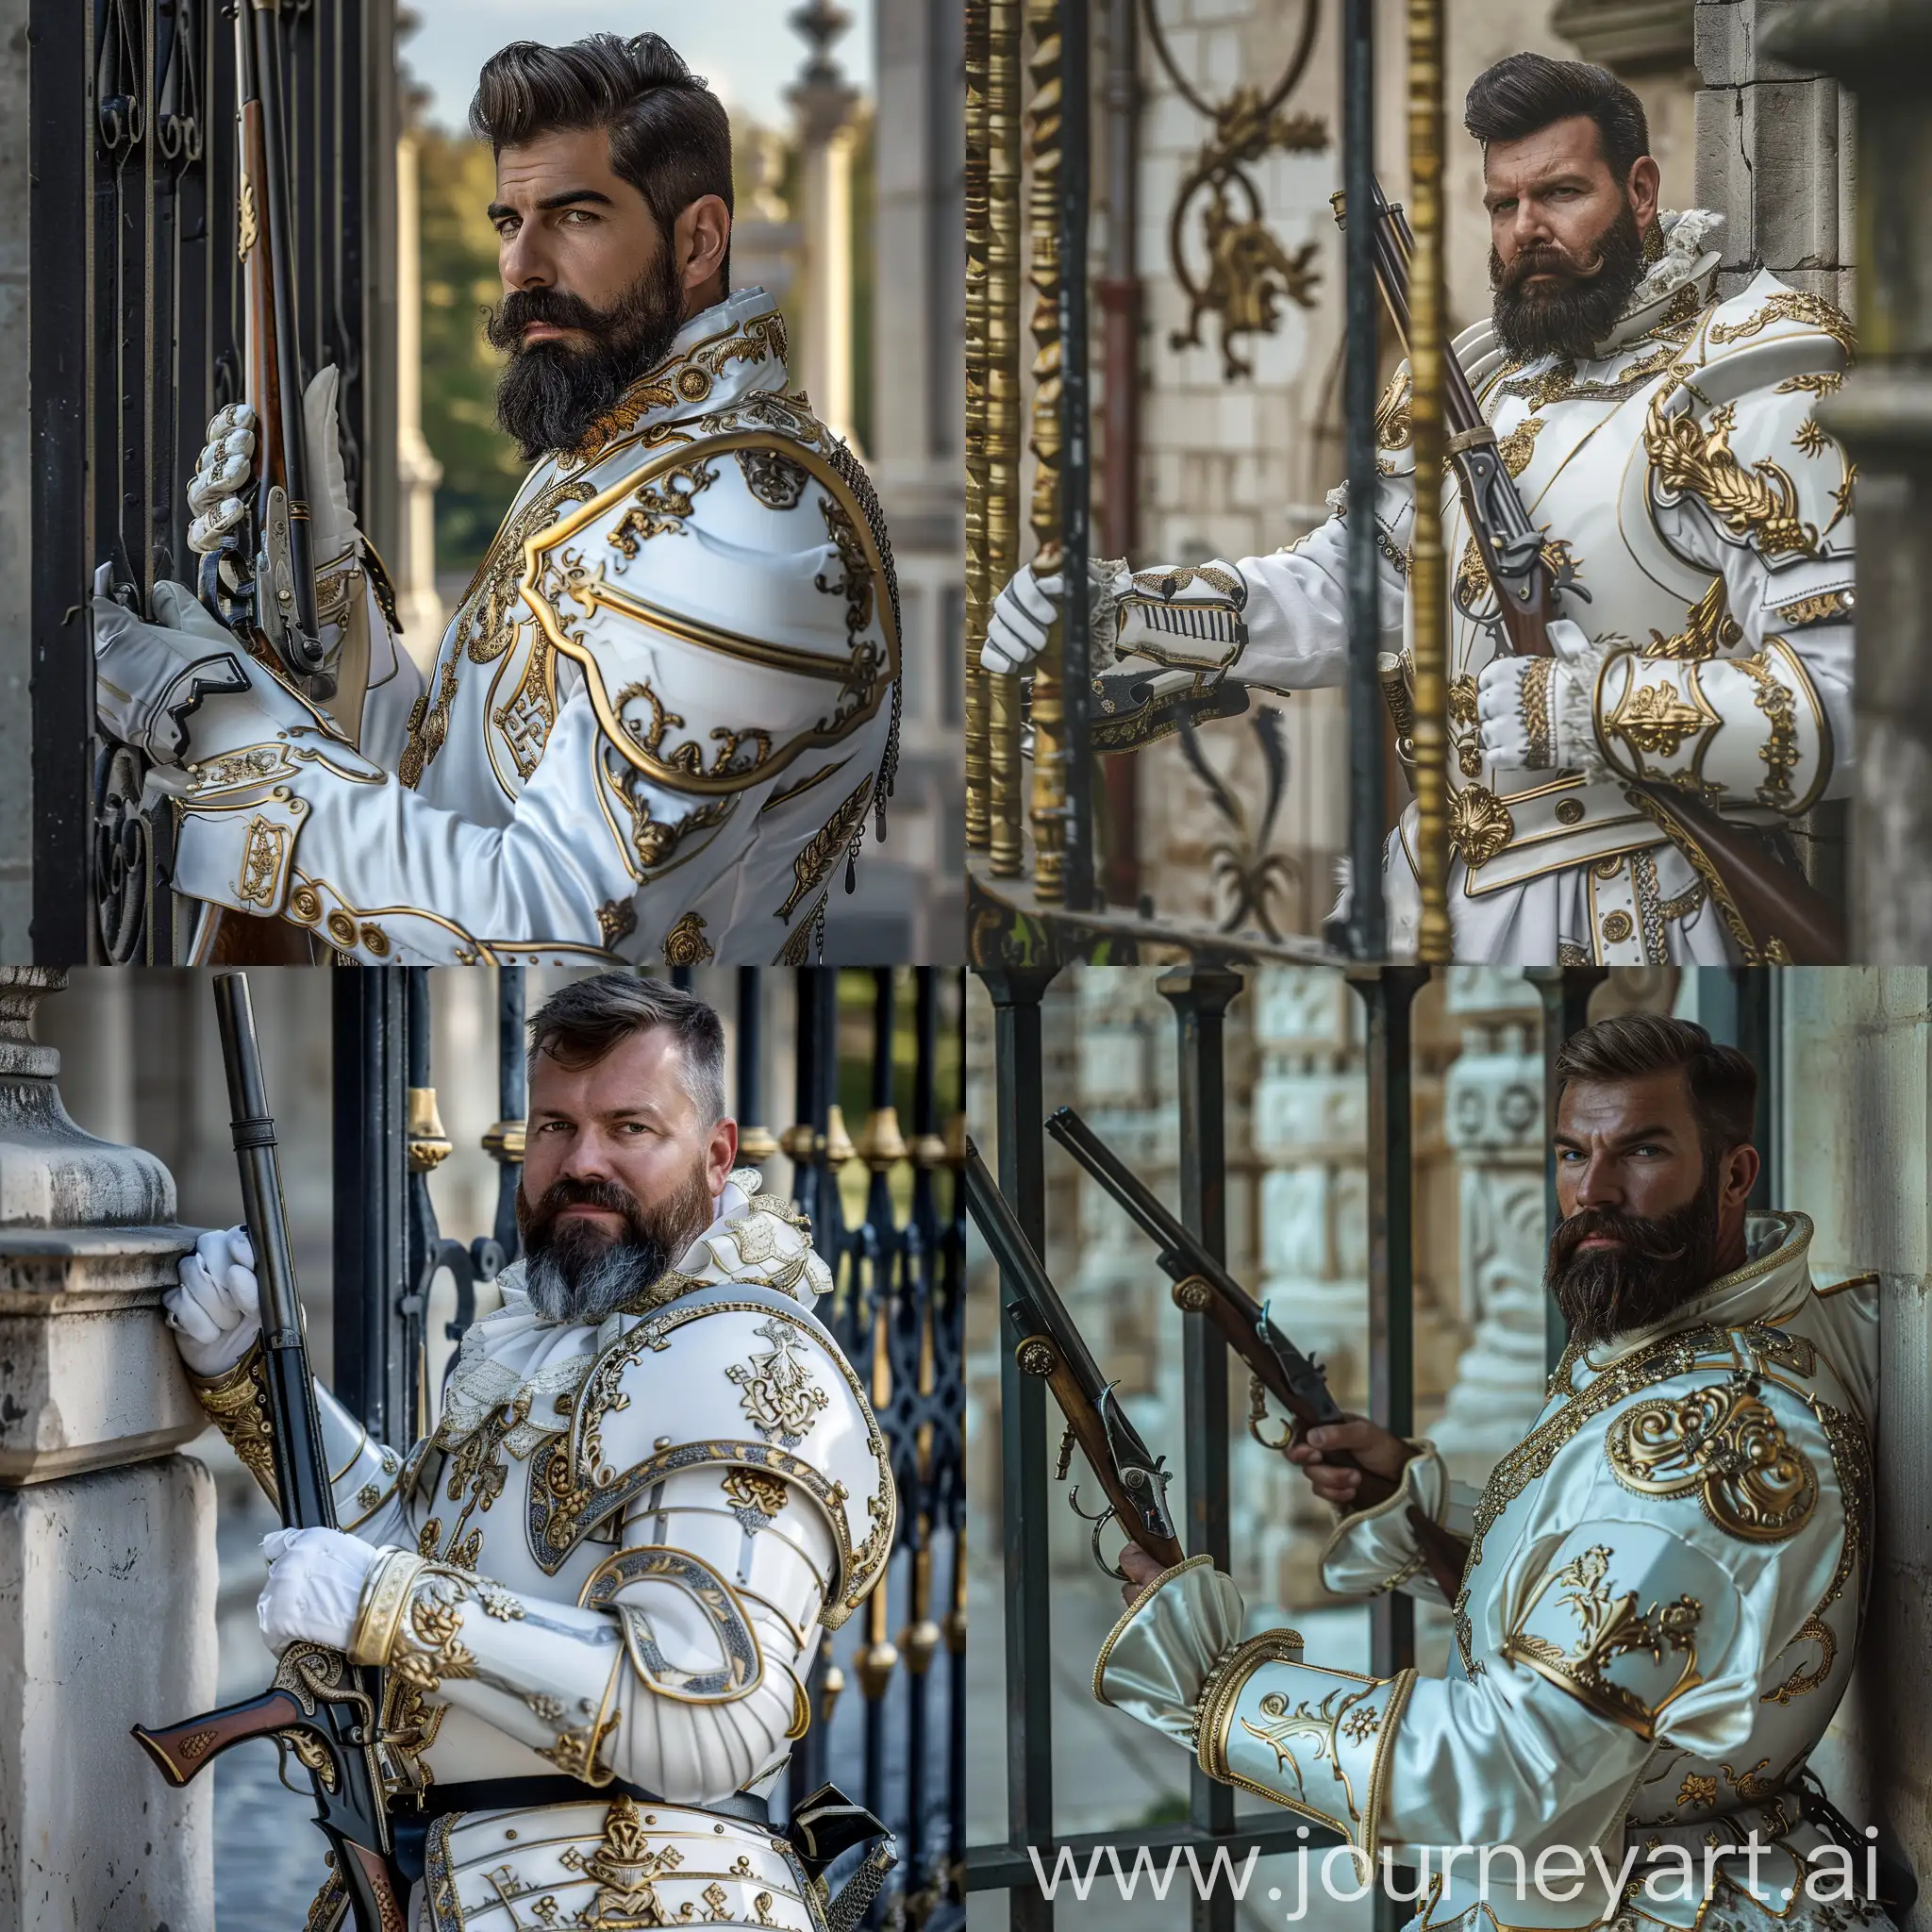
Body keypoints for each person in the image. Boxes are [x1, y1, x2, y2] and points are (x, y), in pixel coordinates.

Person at [985, 55, 1857, 966]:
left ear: (1639, 191)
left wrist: (1582, 706)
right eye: (1502, 204)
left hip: (1641, 909)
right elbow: (1345, 587)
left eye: (1560, 193)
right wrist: (1126, 614)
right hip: (1437, 902)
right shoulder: (1478, 384)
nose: (1528, 231)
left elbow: (1850, 702)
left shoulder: (1751, 373)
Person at [93, 34, 900, 968]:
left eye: (574, 216)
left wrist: (218, 725)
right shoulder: (626, 439)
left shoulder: (744, 526)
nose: (522, 265)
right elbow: (462, 799)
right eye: (507, 223)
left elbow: (552, 922)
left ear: (698, 239)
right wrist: (326, 592)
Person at [1094, 1014, 1885, 1930]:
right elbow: (1610, 1590)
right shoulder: (1687, 1348)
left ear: (1733, 1173)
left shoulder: (1711, 1438)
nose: (1590, 1189)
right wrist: (1416, 1506)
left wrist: (1216, 1689)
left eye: (1640, 1150)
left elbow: (1508, 1769)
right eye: (1568, 1152)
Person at [165, 974, 894, 1930]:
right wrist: (258, 1375)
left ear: (716, 1156)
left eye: (629, 1127)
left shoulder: (737, 1354)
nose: (579, 1159)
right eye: (553, 1124)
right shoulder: (558, 1332)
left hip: (653, 1899)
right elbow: (410, 1538)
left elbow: (708, 1715)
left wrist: (389, 1605)